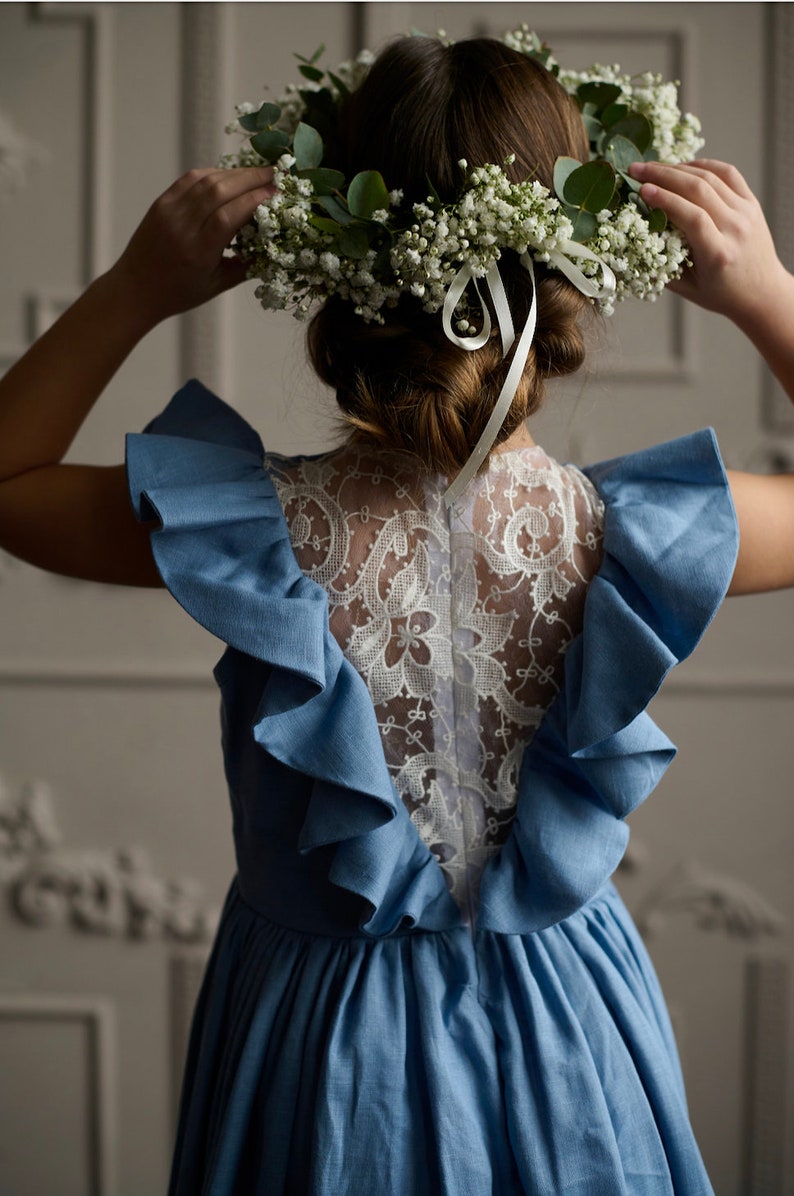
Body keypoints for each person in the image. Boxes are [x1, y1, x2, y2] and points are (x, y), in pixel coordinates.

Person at [1, 31, 793, 1196]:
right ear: (569, 269)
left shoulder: (247, 525)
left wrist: (135, 289)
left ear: (329, 254)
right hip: (570, 1030)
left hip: (316, 1043)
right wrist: (767, 296)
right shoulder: (632, 530)